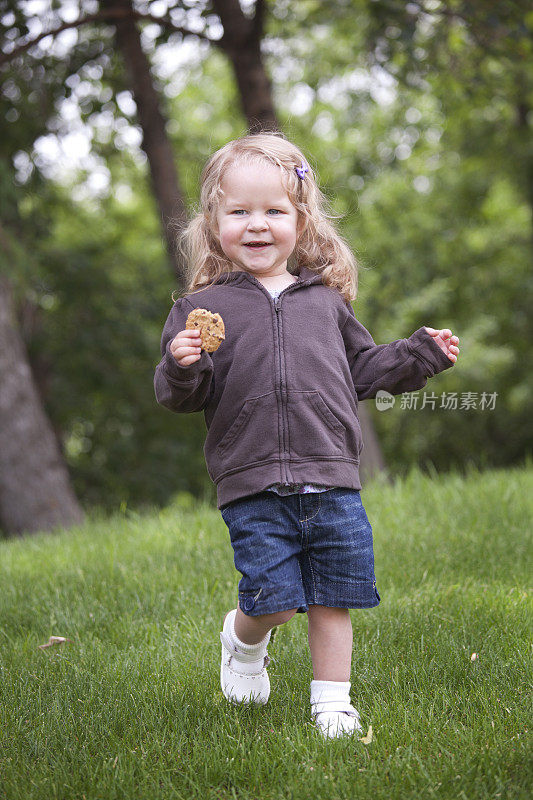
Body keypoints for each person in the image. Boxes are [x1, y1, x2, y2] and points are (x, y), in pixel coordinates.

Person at [154, 132, 460, 739]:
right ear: (214, 224)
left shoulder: (323, 301)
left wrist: (419, 355)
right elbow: (177, 396)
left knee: (333, 595)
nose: (258, 224)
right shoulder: (201, 308)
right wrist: (181, 362)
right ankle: (243, 640)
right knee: (274, 600)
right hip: (252, 479)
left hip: (332, 474)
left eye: (274, 211)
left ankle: (332, 703)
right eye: (239, 212)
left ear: (301, 219)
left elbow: (363, 371)